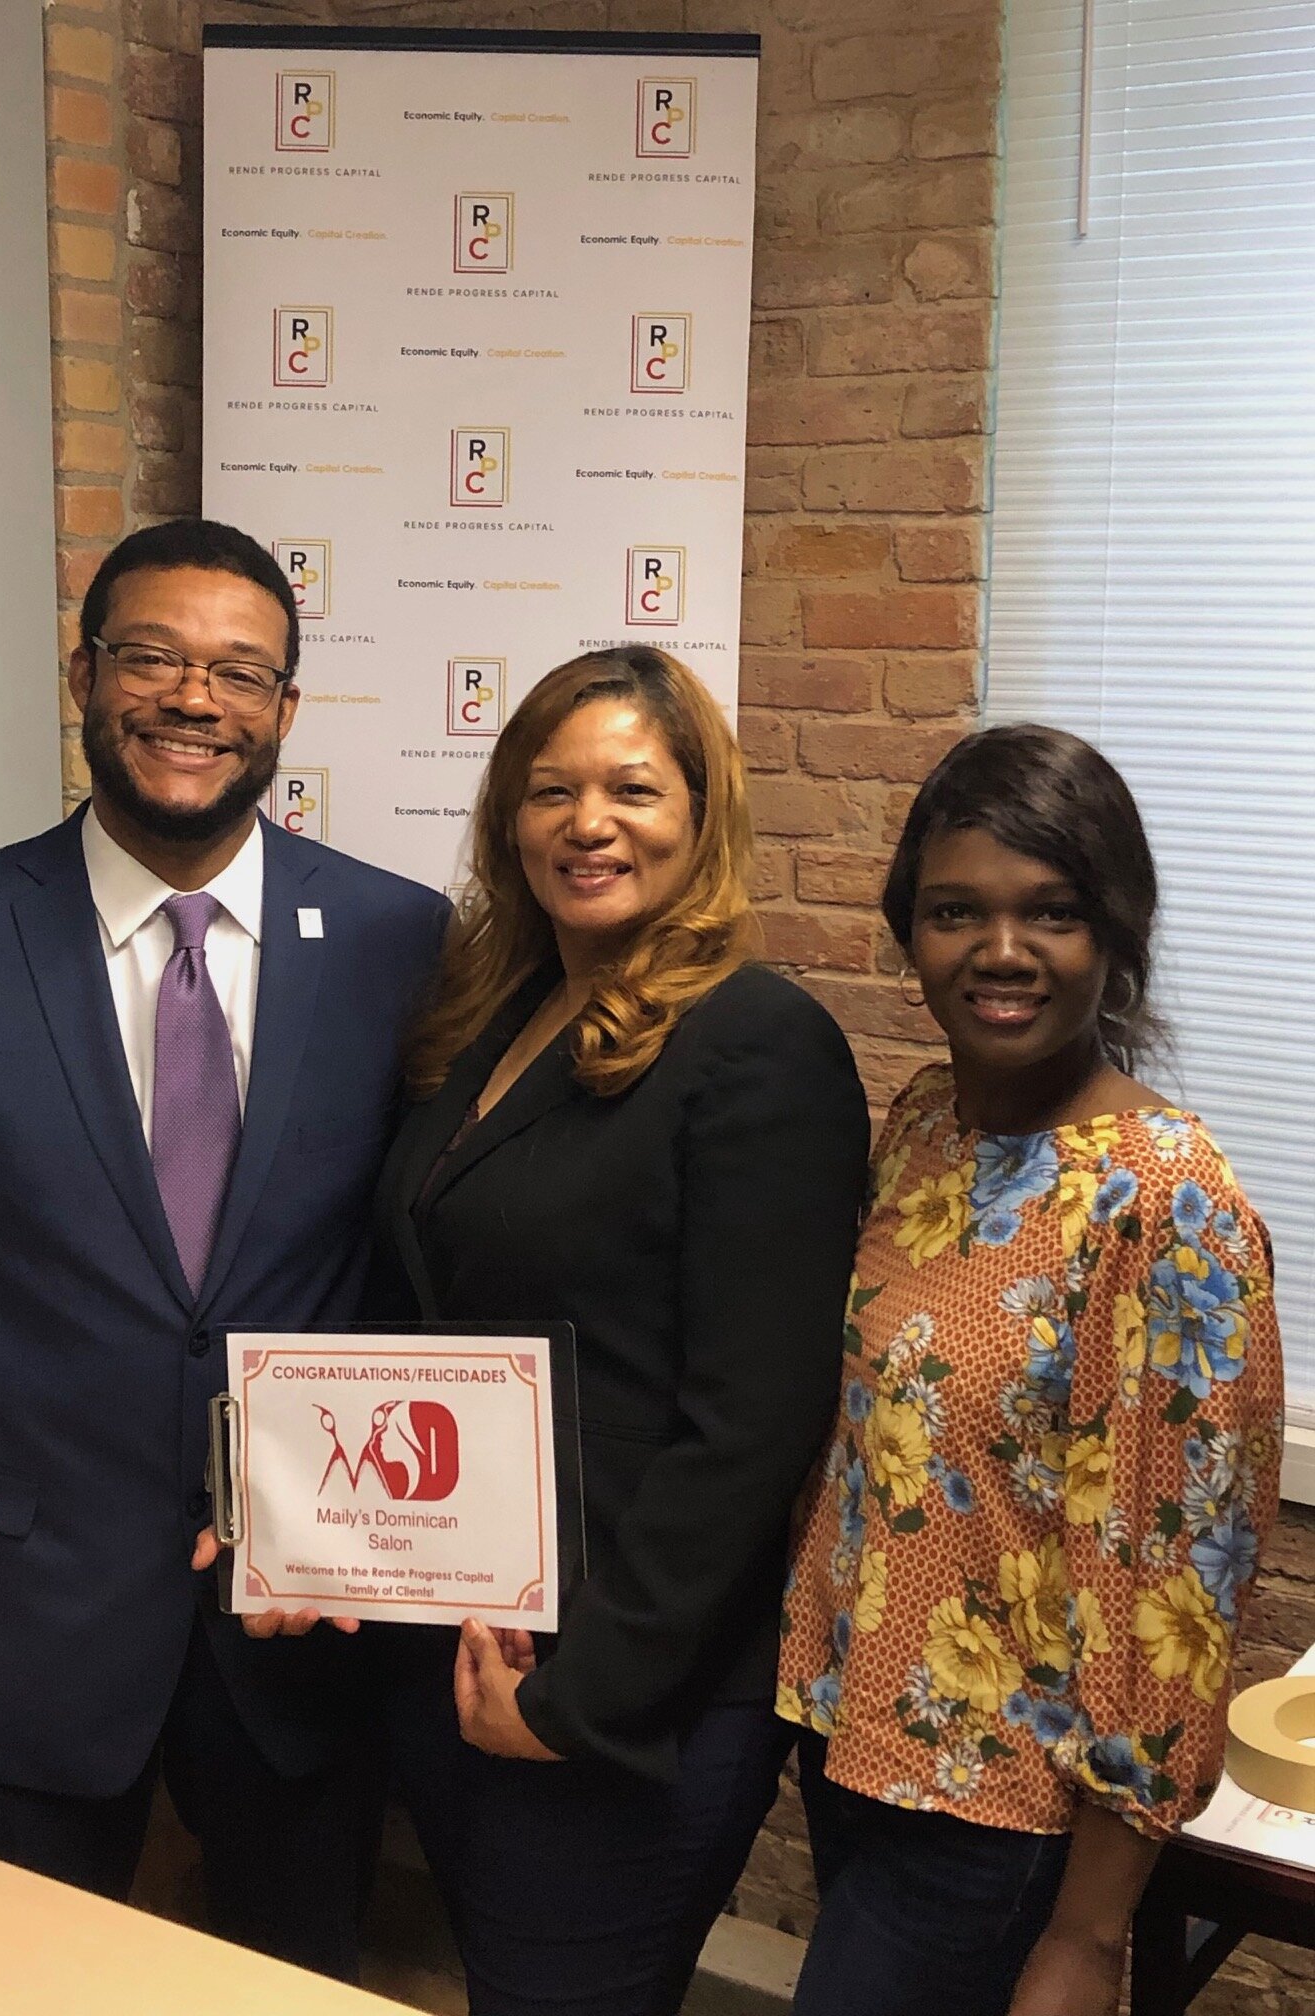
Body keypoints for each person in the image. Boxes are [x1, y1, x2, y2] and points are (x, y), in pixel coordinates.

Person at [0, 519, 448, 1977]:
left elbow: (403, 1259)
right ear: (84, 674)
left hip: (298, 1622)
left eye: (239, 672)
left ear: (287, 709)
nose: (192, 700)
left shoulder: (398, 944)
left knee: (292, 1979)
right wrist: (11, 1441)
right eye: (151, 657)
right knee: (4, 1992)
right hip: (14, 1613)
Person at [371, 646, 865, 2015]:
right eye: (551, 791)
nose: (588, 824)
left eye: (632, 789)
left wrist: (579, 1696)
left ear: (702, 815)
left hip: (626, 1685)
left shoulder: (759, 1044)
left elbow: (753, 1424)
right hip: (467, 1647)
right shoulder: (501, 1016)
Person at [778, 724, 1284, 2016]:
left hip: (1008, 1819)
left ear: (1114, 934)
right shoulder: (925, 1125)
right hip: (860, 1756)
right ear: (911, 933)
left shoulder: (1166, 1202)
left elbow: (1181, 1588)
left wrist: (1088, 1935)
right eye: (958, 912)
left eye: (1050, 912)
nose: (1000, 952)